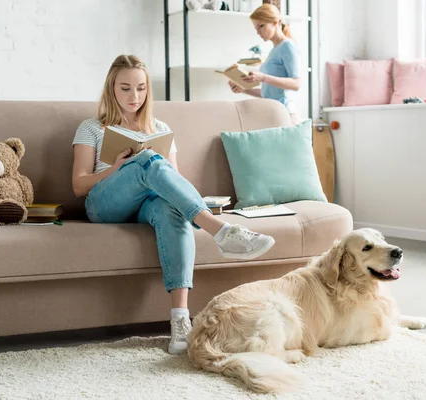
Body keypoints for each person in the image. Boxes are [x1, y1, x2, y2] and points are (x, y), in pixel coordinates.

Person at [71, 54, 275, 355]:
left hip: (149, 205)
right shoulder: (91, 127)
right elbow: (78, 185)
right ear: (111, 88)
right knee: (146, 160)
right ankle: (222, 232)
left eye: (140, 88)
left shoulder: (160, 128)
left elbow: (175, 181)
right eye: (125, 88)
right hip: (104, 205)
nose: (134, 96)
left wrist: (156, 166)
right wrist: (117, 167)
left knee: (170, 208)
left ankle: (180, 321)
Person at [229, 4, 302, 124]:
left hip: (285, 114)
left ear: (275, 22)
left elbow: (296, 84)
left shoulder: (287, 46)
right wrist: (243, 89)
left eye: (261, 26)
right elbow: (269, 93)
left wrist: (262, 77)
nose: (258, 32)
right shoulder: (274, 50)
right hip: (273, 113)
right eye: (256, 28)